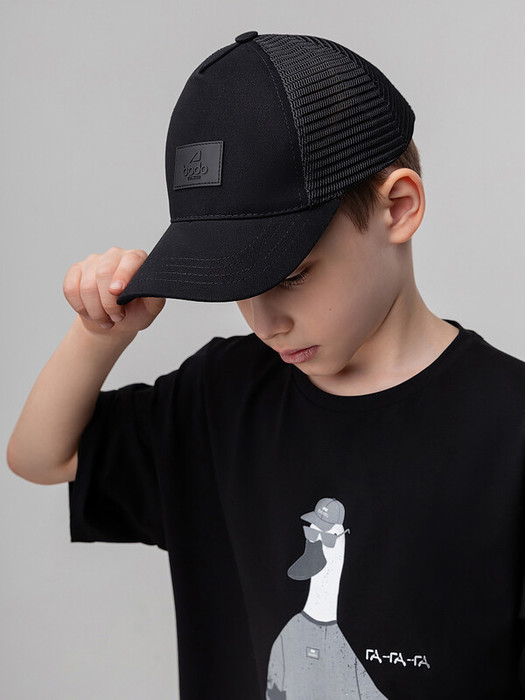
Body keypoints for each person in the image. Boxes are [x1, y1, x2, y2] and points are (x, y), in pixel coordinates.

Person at [6, 30, 525, 700]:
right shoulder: (220, 397)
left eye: (290, 275)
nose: (264, 320)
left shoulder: (508, 428)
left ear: (397, 208)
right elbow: (39, 457)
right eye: (238, 285)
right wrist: (100, 332)